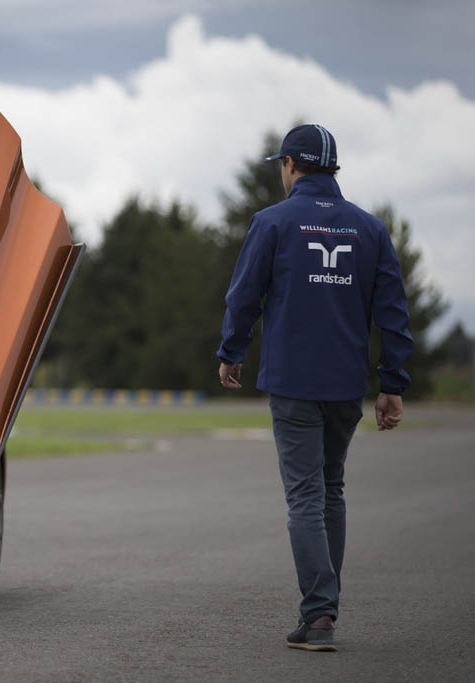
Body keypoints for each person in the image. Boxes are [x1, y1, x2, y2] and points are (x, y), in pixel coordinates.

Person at [215, 124, 414, 652]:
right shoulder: (370, 230)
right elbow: (393, 314)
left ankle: (319, 615)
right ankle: (323, 609)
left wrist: (231, 352)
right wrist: (392, 384)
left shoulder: (273, 222)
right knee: (331, 490)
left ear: (289, 165)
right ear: (332, 170)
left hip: (293, 382)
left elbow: (244, 296)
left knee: (305, 493)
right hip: (346, 386)